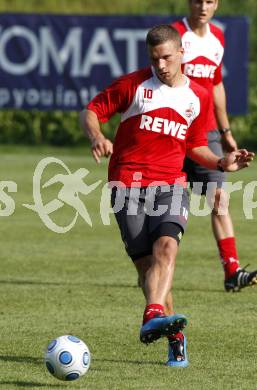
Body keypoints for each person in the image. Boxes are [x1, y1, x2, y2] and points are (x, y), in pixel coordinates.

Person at [80, 24, 254, 368]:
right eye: (154, 58)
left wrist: (221, 161)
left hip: (171, 183)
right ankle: (175, 335)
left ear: (181, 54)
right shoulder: (133, 85)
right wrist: (96, 136)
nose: (160, 65)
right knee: (149, 273)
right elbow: (91, 112)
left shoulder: (198, 97)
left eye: (166, 57)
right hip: (125, 184)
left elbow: (194, 146)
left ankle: (152, 315)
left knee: (167, 247)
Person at [172, 0, 257, 292]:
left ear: (217, 4)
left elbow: (216, 85)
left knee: (220, 199)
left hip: (206, 131)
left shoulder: (218, 38)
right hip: (174, 130)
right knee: (169, 205)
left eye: (209, 1)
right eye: (198, 0)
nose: (203, 6)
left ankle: (232, 270)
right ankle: (153, 266)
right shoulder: (174, 35)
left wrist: (225, 131)